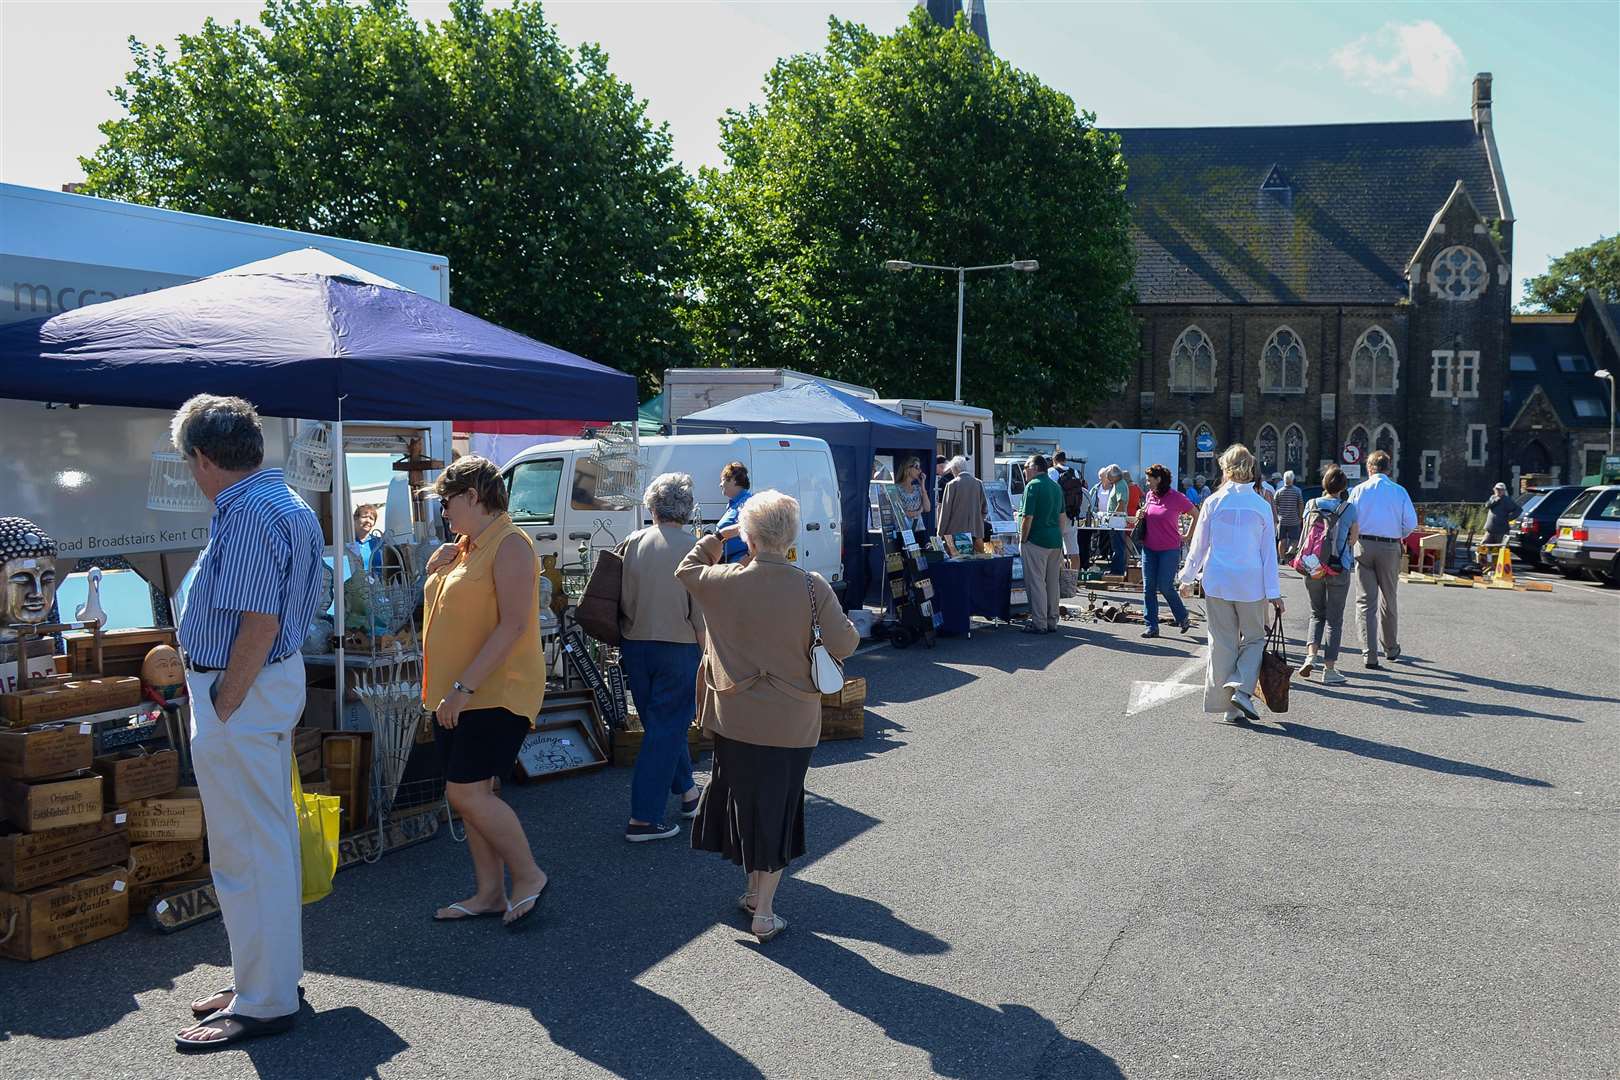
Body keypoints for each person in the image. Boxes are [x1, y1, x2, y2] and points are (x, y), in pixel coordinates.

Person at [170, 395, 323, 1051]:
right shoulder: (281, 502)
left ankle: (264, 998)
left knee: (248, 850)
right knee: (259, 844)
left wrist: (225, 700)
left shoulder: (250, 512)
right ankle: (266, 981)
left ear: (204, 459)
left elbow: (257, 623)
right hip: (256, 686)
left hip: (241, 689)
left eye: (190, 461)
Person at [677, 490, 859, 944]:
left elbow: (686, 569)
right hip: (790, 721)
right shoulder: (811, 585)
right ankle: (764, 910)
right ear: (792, 537)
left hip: (733, 714)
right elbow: (848, 644)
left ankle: (754, 894)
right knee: (776, 808)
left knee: (744, 804)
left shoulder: (723, 580)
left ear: (750, 537)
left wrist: (718, 537)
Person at [421, 455, 550, 927]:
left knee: (466, 793)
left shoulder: (511, 544)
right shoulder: (468, 545)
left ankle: (528, 874)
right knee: (473, 791)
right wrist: (436, 570)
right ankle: (489, 892)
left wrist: (462, 688)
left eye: (447, 501)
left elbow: (514, 624)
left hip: (494, 690)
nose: (444, 511)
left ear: (473, 496)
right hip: (459, 693)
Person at [619, 473, 705, 842]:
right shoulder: (694, 546)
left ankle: (689, 794)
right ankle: (644, 818)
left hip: (635, 644)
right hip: (678, 646)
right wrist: (710, 658)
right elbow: (700, 613)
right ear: (687, 509)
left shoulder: (633, 542)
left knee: (661, 727)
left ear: (651, 506)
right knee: (666, 729)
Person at [1177, 444, 1283, 725]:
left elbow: (1199, 547)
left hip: (1219, 581)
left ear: (1225, 468)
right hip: (1251, 583)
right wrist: (1274, 593)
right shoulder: (1261, 505)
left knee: (1222, 642)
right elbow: (1268, 554)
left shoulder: (1213, 502)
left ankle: (1228, 706)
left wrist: (1187, 578)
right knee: (1254, 638)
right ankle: (1242, 688)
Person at [1346, 449, 1417, 669]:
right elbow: (1411, 523)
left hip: (1364, 544)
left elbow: (1350, 519)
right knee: (1389, 597)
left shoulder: (1358, 490)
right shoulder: (1399, 491)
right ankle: (1390, 647)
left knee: (1365, 601)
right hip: (1389, 545)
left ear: (1369, 468)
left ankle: (1369, 652)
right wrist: (1398, 534)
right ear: (1388, 468)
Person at [1296, 466, 1359, 686]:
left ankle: (1310, 656)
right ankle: (1329, 669)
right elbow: (1353, 539)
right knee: (1334, 619)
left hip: (1312, 565)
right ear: (1343, 487)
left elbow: (1305, 532)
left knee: (1316, 614)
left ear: (1324, 484)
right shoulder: (1348, 508)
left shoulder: (1311, 505)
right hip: (1337, 567)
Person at [1135, 464, 1197, 638]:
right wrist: (1141, 513)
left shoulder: (1177, 497)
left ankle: (1182, 616)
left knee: (1165, 586)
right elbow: (1148, 515)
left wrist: (1187, 535)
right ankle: (1151, 626)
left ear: (1159, 479)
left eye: (1149, 479)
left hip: (1169, 549)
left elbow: (1196, 514)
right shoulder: (1149, 496)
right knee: (1148, 588)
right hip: (1149, 548)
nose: (1147, 483)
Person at [1018, 454, 1065, 634]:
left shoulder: (1033, 486)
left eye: (1026, 466)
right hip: (1054, 540)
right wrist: (1059, 539)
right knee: (1052, 582)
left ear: (1035, 468)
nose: (1024, 470)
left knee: (1036, 582)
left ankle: (1039, 622)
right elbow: (1062, 517)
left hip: (1036, 540)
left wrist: (1023, 539)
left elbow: (1027, 517)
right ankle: (1052, 620)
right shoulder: (1055, 486)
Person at [1050, 451, 1086, 571]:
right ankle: (1072, 582)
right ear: (1065, 460)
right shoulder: (1074, 472)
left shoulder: (1052, 472)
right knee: (1074, 551)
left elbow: (1050, 494)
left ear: (1054, 460)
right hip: (1072, 515)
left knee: (1057, 548)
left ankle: (1060, 578)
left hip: (1057, 516)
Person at [936, 455, 986, 541]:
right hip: (975, 533)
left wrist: (939, 533)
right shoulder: (978, 483)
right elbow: (984, 509)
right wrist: (977, 523)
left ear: (955, 468)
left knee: (958, 555)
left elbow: (945, 512)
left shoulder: (951, 485)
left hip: (955, 534)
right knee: (975, 554)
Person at [715, 462, 752, 564]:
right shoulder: (735, 504)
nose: (720, 484)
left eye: (722, 480)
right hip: (729, 563)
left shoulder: (748, 503)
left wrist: (748, 557)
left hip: (740, 567)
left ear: (734, 480)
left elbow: (758, 532)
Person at [1098, 465, 1128, 575]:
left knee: (1118, 547)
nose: (1108, 479)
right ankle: (1116, 569)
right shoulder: (1118, 484)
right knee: (1116, 546)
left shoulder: (1120, 485)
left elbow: (1121, 503)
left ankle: (1117, 571)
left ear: (1115, 476)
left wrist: (1112, 516)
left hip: (1117, 520)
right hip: (1116, 520)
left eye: (1109, 476)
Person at [897, 457, 933, 535]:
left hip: (919, 529)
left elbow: (927, 508)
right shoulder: (897, 488)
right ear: (908, 468)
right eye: (917, 467)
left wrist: (922, 486)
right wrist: (919, 511)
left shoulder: (917, 488)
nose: (920, 471)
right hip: (904, 531)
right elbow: (902, 513)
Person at [1273, 471, 1305, 558]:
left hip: (1282, 520)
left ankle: (1282, 558)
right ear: (1293, 479)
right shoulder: (1297, 491)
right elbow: (1301, 505)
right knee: (1294, 539)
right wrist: (1300, 517)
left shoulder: (1279, 492)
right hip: (1294, 520)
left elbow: (1274, 505)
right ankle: (1291, 550)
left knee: (1281, 540)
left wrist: (1277, 517)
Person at [1482, 482, 1522, 546]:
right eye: (1497, 489)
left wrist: (1509, 518)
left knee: (1500, 550)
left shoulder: (1507, 500)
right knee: (1483, 548)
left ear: (1504, 491)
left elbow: (1519, 510)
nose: (1499, 491)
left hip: (1501, 531)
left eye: (1501, 489)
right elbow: (1487, 506)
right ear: (1494, 490)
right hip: (1490, 530)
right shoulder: (1492, 497)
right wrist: (1496, 500)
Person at [348, 503, 384, 573]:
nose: (368, 521)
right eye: (364, 517)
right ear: (355, 519)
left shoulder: (380, 542)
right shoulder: (348, 541)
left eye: (371, 518)